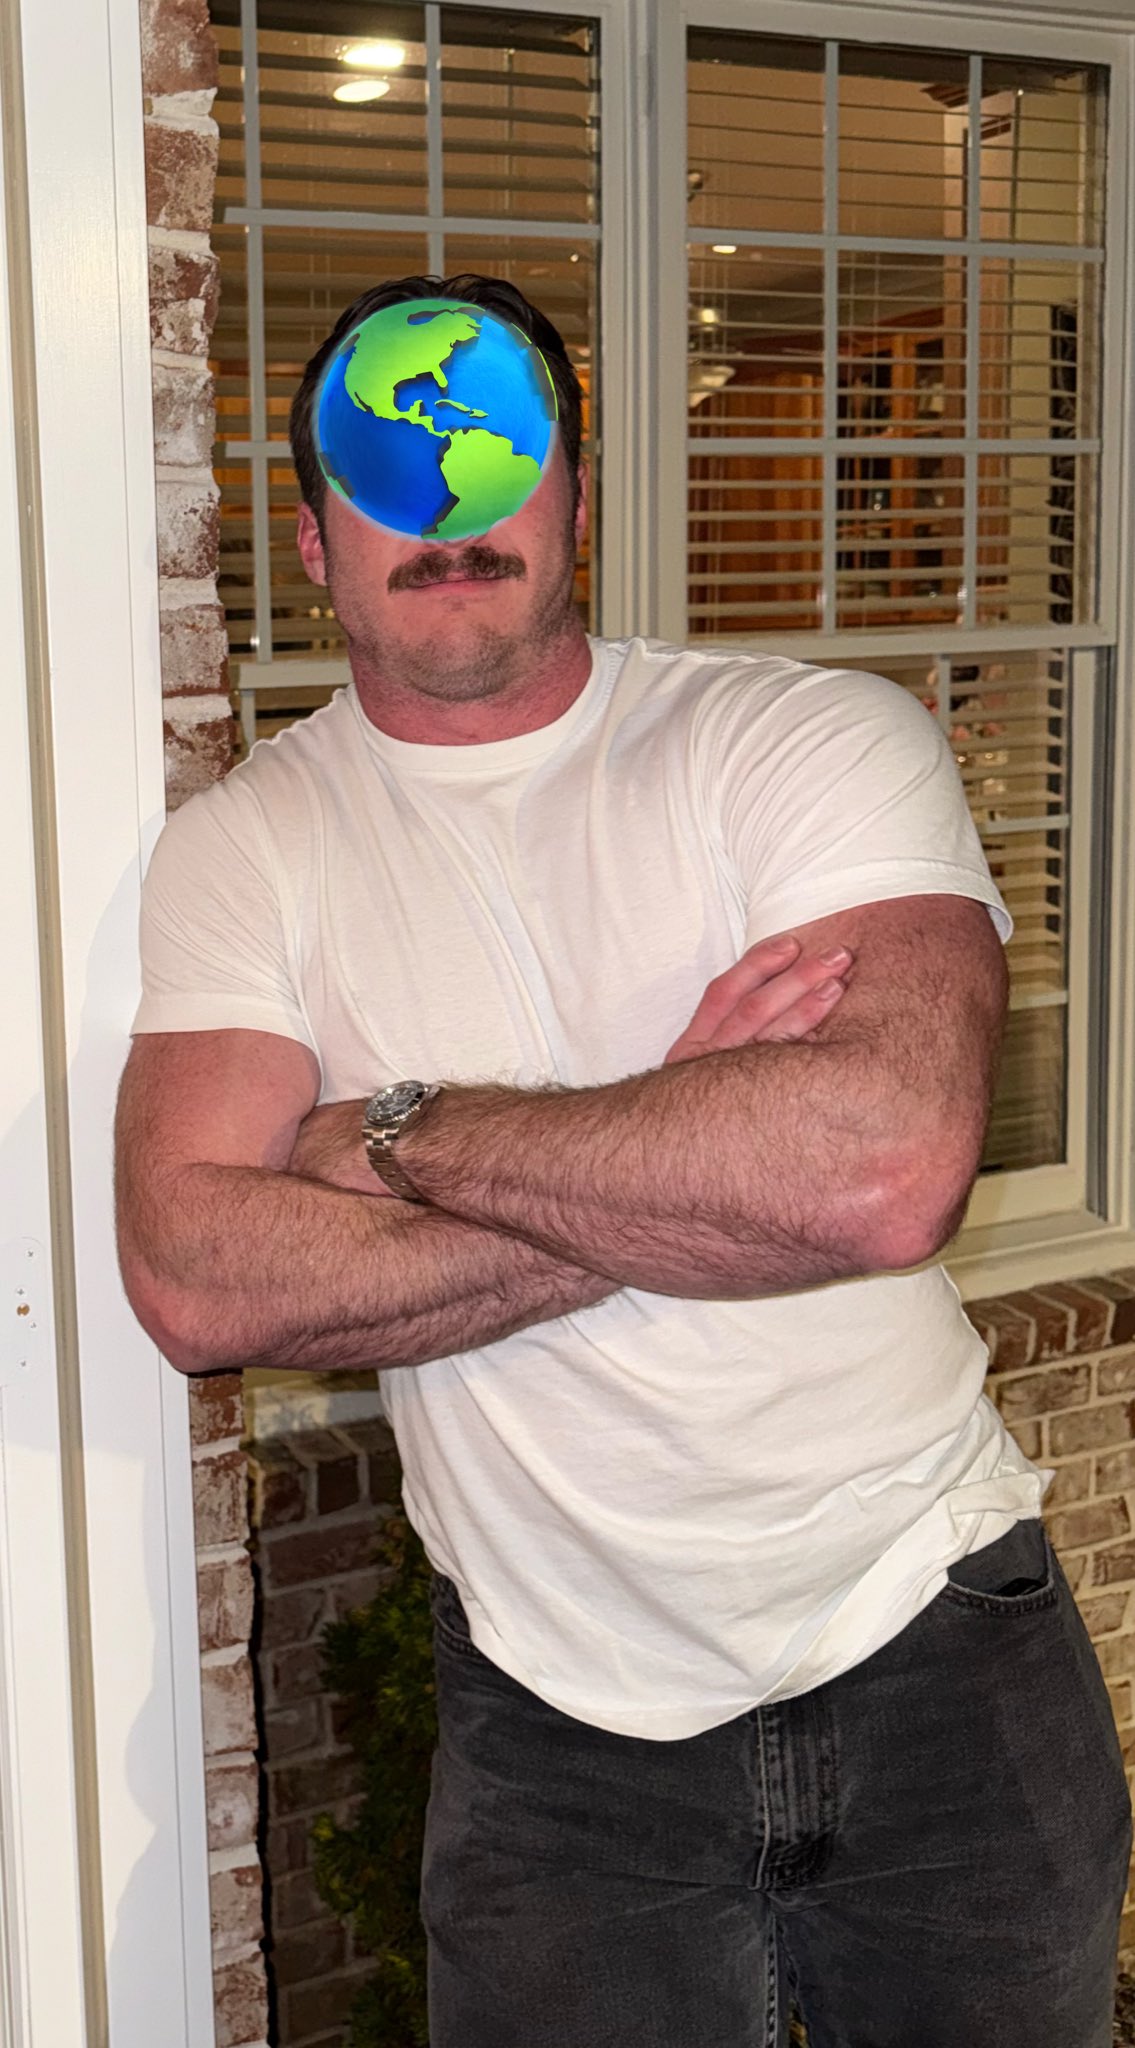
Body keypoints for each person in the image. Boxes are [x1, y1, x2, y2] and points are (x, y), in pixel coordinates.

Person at [115, 275, 1131, 2048]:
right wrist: (685, 1135)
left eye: (499, 455)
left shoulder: (803, 739)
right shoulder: (246, 855)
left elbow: (882, 1172)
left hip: (936, 1645)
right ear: (313, 542)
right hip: (551, 1733)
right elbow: (196, 1279)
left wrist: (403, 1135)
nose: (451, 513)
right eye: (391, 472)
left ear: (578, 497)